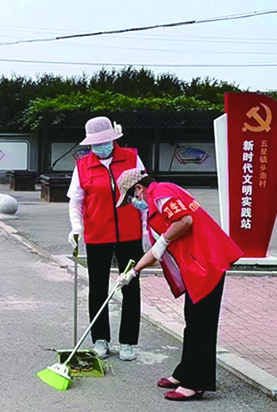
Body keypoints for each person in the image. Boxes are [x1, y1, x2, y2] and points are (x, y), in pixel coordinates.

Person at [115, 169, 243, 401]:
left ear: (139, 188)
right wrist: (132, 273)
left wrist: (165, 239)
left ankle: (196, 383)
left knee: (202, 323)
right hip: (197, 265)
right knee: (192, 320)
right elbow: (156, 251)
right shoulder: (158, 198)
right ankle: (185, 372)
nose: (135, 203)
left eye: (132, 197)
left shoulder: (161, 193)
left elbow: (185, 220)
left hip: (207, 262)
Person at [66, 116, 146, 361]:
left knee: (130, 286)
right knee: (98, 287)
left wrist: (146, 231)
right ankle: (100, 339)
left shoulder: (132, 159)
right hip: (97, 233)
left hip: (130, 233)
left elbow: (144, 196)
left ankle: (128, 342)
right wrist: (76, 227)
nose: (102, 147)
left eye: (106, 142)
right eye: (96, 144)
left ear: (114, 139)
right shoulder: (83, 166)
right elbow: (76, 200)